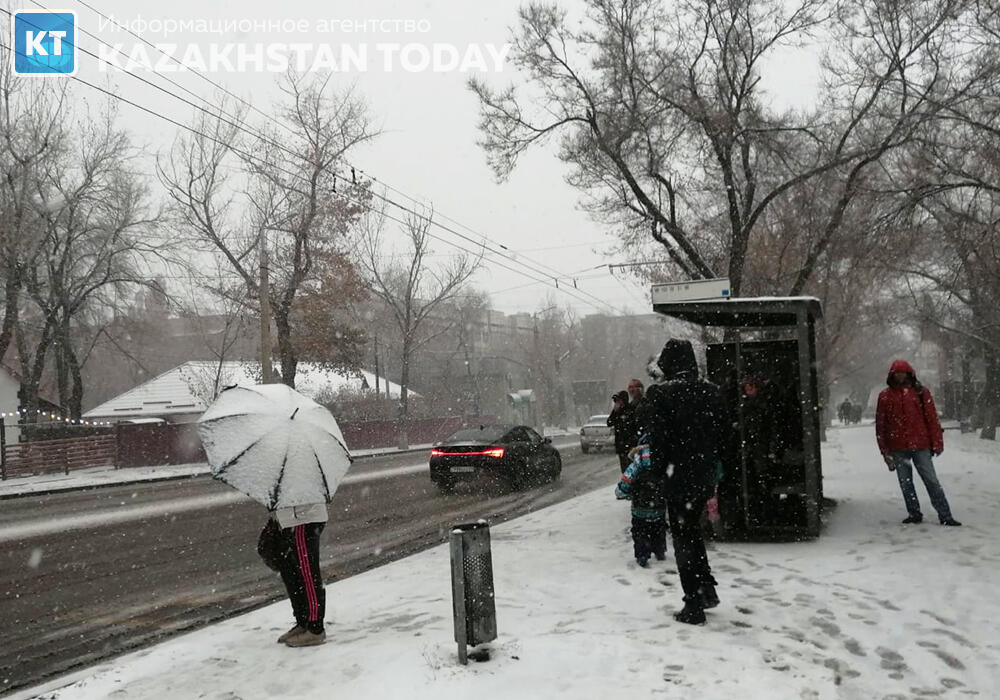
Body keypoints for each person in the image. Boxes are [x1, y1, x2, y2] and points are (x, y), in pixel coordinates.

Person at [641, 338, 723, 625]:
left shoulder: (661, 395)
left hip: (677, 478)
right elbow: (720, 436)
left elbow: (658, 442)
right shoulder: (710, 392)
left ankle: (693, 604)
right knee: (694, 532)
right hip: (703, 477)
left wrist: (656, 477)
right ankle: (706, 589)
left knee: (683, 540)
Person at [875, 359, 962, 526]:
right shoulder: (885, 396)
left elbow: (931, 419)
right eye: (897, 373)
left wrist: (937, 442)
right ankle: (914, 513)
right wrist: (884, 450)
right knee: (906, 484)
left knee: (931, 481)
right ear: (893, 375)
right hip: (898, 447)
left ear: (909, 374)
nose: (900, 376)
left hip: (920, 445)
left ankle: (945, 514)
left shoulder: (921, 393)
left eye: (903, 372)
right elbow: (881, 425)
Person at [258, 502, 329, 646]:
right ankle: (303, 621)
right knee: (290, 572)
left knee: (307, 573)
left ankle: (315, 629)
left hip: (303, 518)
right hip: (287, 519)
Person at [614, 433, 667, 567]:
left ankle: (642, 555)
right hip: (659, 505)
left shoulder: (637, 463)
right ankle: (659, 550)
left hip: (639, 506)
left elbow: (625, 482)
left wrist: (621, 493)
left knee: (640, 531)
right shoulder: (662, 461)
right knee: (658, 527)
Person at [607, 390, 635, 472]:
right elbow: (609, 422)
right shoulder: (616, 411)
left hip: (630, 445)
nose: (617, 403)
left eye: (619, 400)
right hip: (620, 445)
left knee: (632, 468)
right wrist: (615, 411)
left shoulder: (630, 409)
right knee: (624, 470)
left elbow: (631, 425)